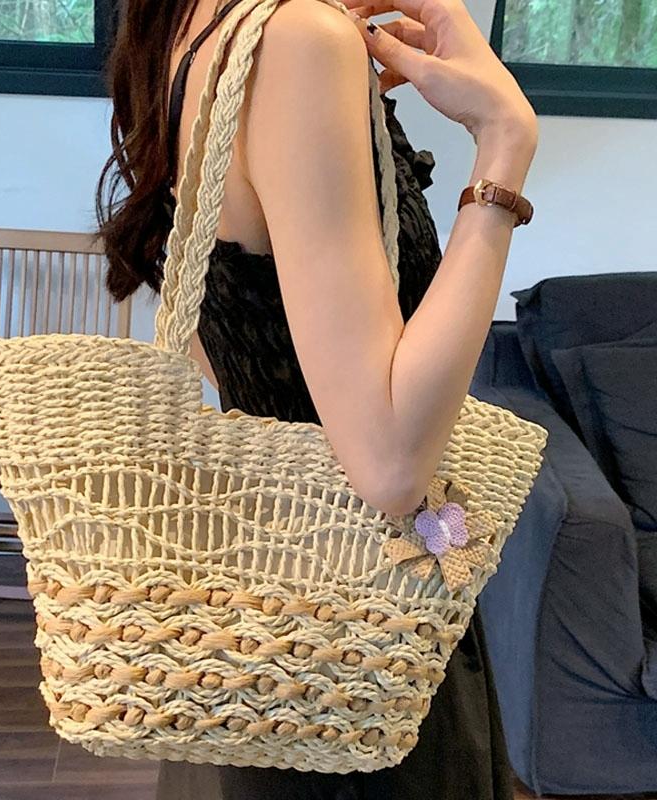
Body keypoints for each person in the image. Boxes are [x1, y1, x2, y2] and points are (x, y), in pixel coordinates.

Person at [96, 1, 538, 798]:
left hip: (260, 627)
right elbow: (391, 466)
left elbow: (218, 337)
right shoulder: (298, 41)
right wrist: (504, 142)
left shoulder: (195, 30)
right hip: (360, 653)